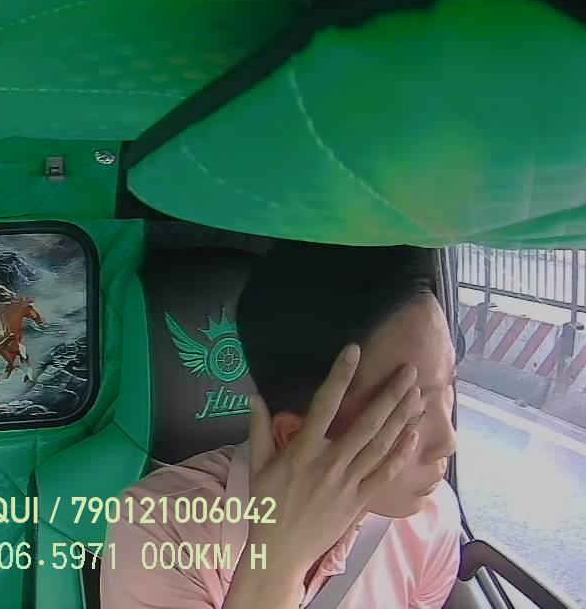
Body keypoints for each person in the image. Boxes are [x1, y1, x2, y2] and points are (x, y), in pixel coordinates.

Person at [102, 243, 461, 608]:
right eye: (412, 412)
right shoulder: (161, 532)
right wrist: (278, 568)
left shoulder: (431, 519)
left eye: (451, 385)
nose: (448, 443)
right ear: (296, 437)